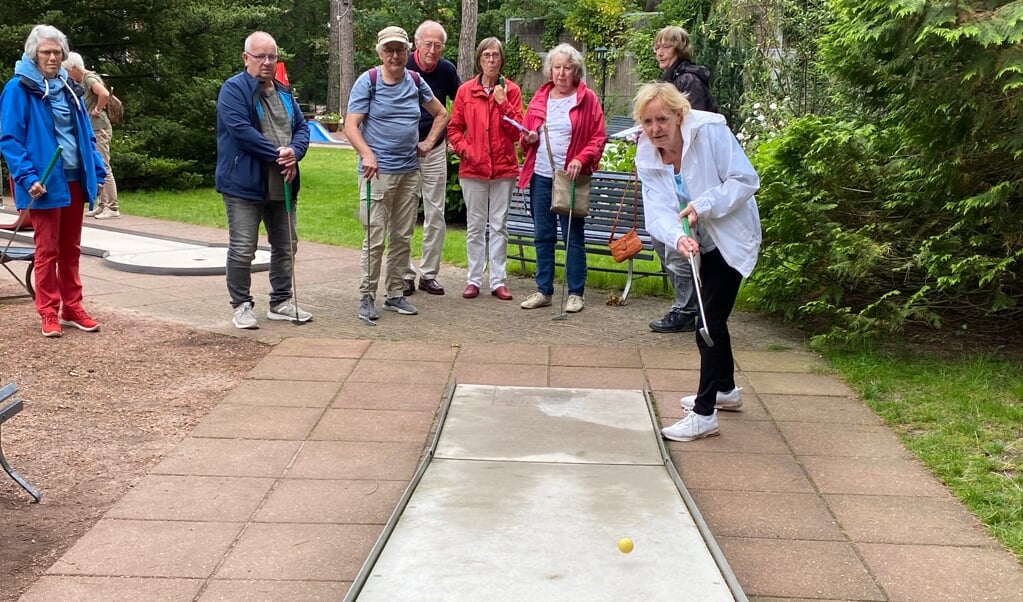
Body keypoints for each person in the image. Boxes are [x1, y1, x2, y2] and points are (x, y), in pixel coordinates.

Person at [633, 82, 760, 442]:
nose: (655, 128)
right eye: (647, 121)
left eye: (662, 119)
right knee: (713, 316)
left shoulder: (710, 133)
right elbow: (657, 211)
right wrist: (678, 238)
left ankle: (704, 415)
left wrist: (703, 205)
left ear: (679, 115)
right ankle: (726, 390)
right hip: (697, 242)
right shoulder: (647, 153)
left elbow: (746, 179)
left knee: (708, 322)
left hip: (731, 235)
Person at [1, 25, 107, 338]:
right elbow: (9, 139)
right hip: (44, 182)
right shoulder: (18, 89)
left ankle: (73, 308)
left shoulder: (68, 88)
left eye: (56, 52)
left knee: (70, 249)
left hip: (74, 178)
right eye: (46, 52)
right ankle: (48, 311)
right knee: (46, 250)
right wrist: (27, 177)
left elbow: (86, 135)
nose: (51, 57)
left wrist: (97, 172)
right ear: (34, 54)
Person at [344, 26, 448, 321]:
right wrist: (367, 153)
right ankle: (366, 295)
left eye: (400, 50)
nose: (394, 56)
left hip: (408, 171)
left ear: (407, 52)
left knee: (402, 237)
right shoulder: (369, 81)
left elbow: (441, 113)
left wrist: (428, 143)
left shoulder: (415, 80)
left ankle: (394, 295)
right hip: (376, 175)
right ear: (380, 53)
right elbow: (351, 125)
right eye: (389, 50)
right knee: (374, 237)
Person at [215, 31, 311, 330]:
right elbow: (241, 130)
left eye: (272, 56)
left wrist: (294, 152)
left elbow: (302, 127)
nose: (268, 62)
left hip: (281, 180)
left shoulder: (284, 92)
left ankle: (281, 301)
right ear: (247, 58)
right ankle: (241, 304)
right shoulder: (233, 90)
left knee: (286, 244)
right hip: (244, 182)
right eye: (261, 56)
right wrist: (279, 155)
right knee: (243, 247)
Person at [517, 43, 606, 314]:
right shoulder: (540, 97)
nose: (562, 73)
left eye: (567, 68)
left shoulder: (587, 98)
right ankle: (544, 290)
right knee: (542, 235)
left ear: (575, 70)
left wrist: (582, 158)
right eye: (557, 67)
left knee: (572, 236)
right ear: (550, 70)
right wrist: (528, 138)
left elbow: (598, 136)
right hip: (541, 176)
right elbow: (525, 135)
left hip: (570, 177)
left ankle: (576, 293)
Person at [646, 25, 722, 335]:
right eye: (657, 47)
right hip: (667, 169)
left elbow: (692, 129)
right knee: (664, 238)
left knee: (682, 241)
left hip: (688, 174)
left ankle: (688, 308)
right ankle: (690, 305)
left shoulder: (688, 81)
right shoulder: (667, 82)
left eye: (666, 47)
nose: (660, 52)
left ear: (679, 49)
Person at [447, 38, 522, 302]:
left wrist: (503, 103)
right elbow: (454, 128)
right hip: (473, 169)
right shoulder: (466, 91)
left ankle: (498, 281)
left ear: (502, 60)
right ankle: (474, 279)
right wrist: (466, 150)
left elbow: (517, 132)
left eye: (496, 55)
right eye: (486, 55)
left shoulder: (510, 90)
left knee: (499, 225)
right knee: (475, 226)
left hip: (503, 168)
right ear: (479, 59)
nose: (491, 60)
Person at [402, 20, 459, 297]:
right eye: (428, 44)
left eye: (438, 45)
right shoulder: (404, 67)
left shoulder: (446, 70)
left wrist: (453, 139)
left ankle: (429, 274)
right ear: (417, 43)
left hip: (435, 148)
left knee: (436, 212)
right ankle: (404, 274)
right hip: (405, 151)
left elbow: (460, 106)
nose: (433, 50)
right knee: (405, 213)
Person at [62, 52, 119, 220]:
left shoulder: (88, 79)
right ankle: (102, 205)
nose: (66, 74)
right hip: (93, 129)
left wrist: (97, 110)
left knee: (103, 166)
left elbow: (104, 94)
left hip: (99, 128)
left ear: (74, 68)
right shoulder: (85, 79)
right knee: (98, 165)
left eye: (67, 70)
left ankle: (112, 207)